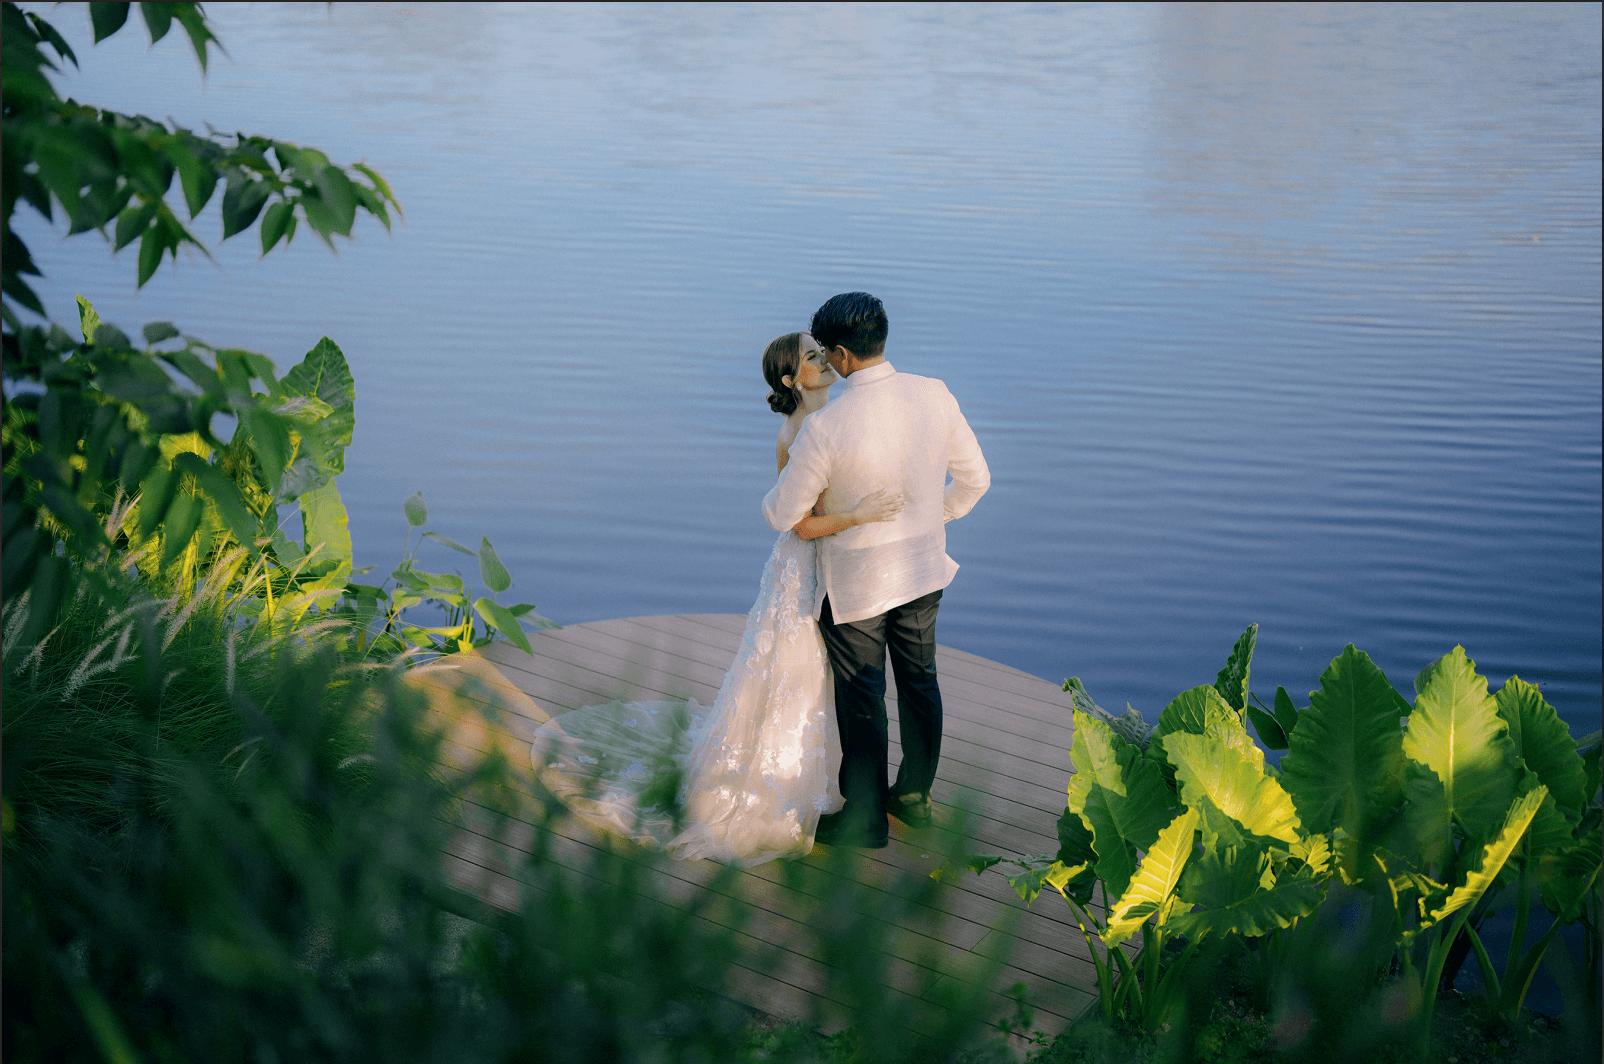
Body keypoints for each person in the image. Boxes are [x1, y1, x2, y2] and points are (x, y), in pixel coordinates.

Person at [530, 331, 903, 866]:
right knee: (793, 668)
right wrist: (861, 516)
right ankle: (776, 787)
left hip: (831, 565)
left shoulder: (834, 418)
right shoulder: (797, 433)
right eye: (813, 358)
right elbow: (799, 525)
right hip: (804, 569)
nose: (825, 363)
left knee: (816, 673)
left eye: (824, 354)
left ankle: (822, 781)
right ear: (789, 379)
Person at [762, 292, 989, 848]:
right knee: (919, 683)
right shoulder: (934, 395)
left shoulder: (826, 428)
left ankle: (864, 817)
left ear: (841, 354)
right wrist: (931, 517)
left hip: (857, 586)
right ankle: (913, 799)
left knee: (863, 695)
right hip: (922, 571)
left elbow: (780, 513)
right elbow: (976, 480)